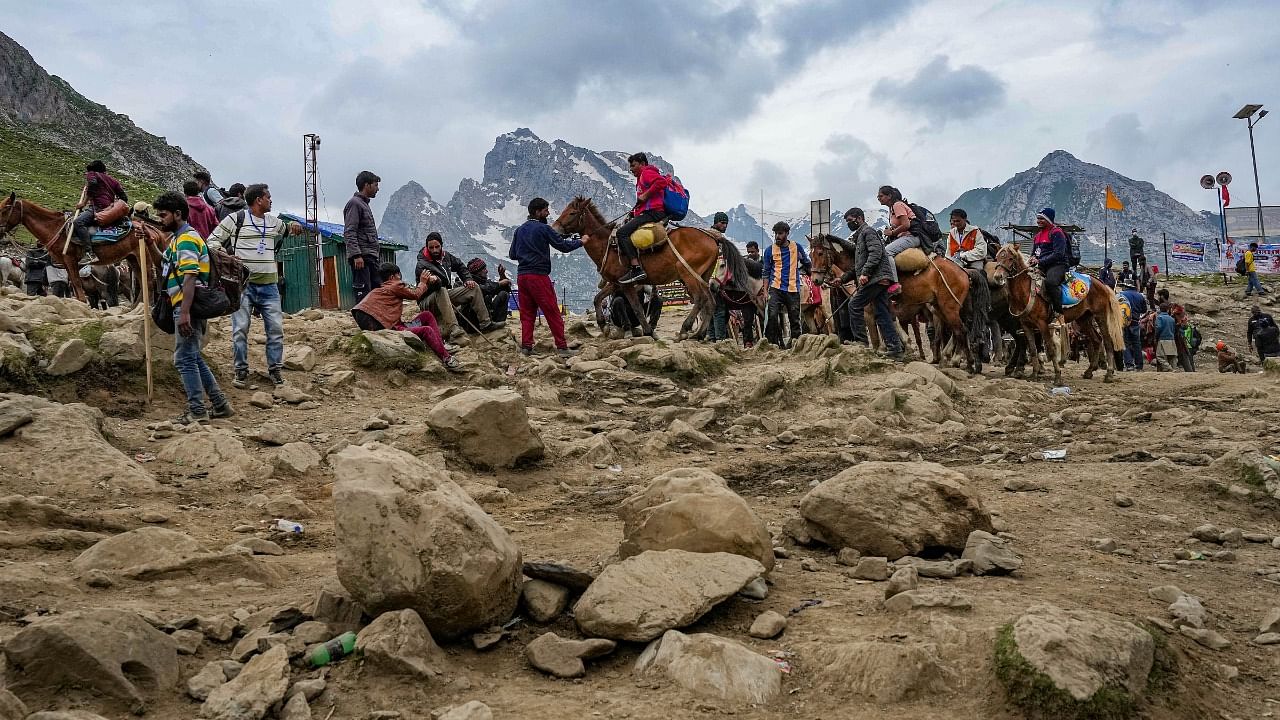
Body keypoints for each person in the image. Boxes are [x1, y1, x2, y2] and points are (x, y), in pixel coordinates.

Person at [207, 183, 302, 388]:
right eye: (268, 197)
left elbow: (289, 229)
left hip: (270, 286)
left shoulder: (273, 222)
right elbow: (211, 241)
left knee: (275, 329)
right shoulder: (236, 219)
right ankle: (240, 370)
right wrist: (225, 255)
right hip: (243, 286)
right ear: (259, 200)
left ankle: (275, 369)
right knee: (240, 329)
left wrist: (295, 225)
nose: (271, 200)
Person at [154, 191, 233, 425]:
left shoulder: (187, 238)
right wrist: (150, 242)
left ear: (178, 214)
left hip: (187, 305)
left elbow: (190, 276)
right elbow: (168, 263)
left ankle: (197, 410)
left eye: (164, 215)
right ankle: (219, 404)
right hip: (187, 305)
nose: (160, 219)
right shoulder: (178, 239)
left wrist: (184, 312)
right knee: (192, 356)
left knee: (183, 359)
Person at [351, 262, 462, 372]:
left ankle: (440, 345)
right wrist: (423, 282)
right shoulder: (395, 285)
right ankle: (446, 358)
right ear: (392, 277)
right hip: (388, 326)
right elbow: (415, 294)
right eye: (399, 275)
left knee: (426, 315)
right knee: (426, 330)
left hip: (370, 321)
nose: (401, 278)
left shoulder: (380, 289)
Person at [509, 197, 583, 356]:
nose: (548, 213)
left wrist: (527, 251)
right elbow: (563, 247)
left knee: (527, 313)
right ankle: (562, 347)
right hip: (538, 276)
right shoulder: (544, 229)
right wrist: (581, 242)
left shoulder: (519, 230)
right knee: (552, 311)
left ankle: (527, 347)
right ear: (538, 212)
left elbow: (513, 254)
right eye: (545, 210)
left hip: (522, 277)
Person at [414, 232, 503, 337]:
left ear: (441, 245)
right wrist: (434, 280)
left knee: (473, 288)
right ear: (427, 247)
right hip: (428, 300)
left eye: (437, 247)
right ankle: (454, 329)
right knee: (441, 290)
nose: (434, 250)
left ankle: (486, 324)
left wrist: (467, 279)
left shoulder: (446, 256)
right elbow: (436, 287)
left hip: (444, 295)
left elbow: (460, 266)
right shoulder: (422, 264)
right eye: (431, 247)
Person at [841, 207, 903, 357]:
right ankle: (895, 349)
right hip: (878, 279)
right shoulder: (861, 235)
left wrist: (866, 273)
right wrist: (842, 279)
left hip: (875, 279)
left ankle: (861, 343)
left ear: (859, 218)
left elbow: (876, 252)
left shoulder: (867, 232)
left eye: (850, 220)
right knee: (882, 313)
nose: (849, 224)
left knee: (854, 305)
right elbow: (858, 265)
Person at [615, 153, 668, 285]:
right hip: (650, 212)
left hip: (653, 213)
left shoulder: (646, 173)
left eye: (633, 165)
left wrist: (645, 195)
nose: (631, 169)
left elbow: (662, 182)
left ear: (642, 164)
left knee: (621, 233)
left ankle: (636, 268)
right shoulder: (641, 178)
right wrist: (634, 212)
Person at [762, 221, 810, 347]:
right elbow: (766, 272)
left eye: (780, 233)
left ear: (787, 234)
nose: (777, 236)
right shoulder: (769, 251)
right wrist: (765, 291)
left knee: (794, 318)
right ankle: (772, 344)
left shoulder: (797, 247)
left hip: (793, 288)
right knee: (772, 315)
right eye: (776, 234)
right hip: (775, 288)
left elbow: (806, 263)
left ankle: (794, 344)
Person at [72, 160, 128, 262]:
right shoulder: (114, 181)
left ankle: (89, 253)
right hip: (109, 210)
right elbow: (124, 198)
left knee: (78, 222)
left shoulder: (92, 174)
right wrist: (112, 207)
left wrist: (83, 203)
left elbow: (92, 184)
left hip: (97, 208)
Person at [344, 170, 382, 303]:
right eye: (376, 185)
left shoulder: (364, 204)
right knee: (364, 295)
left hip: (370, 256)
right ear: (367, 185)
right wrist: (356, 255)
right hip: (362, 258)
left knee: (376, 291)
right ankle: (365, 322)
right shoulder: (355, 203)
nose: (378, 189)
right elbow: (350, 231)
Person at [1028, 207, 1070, 322]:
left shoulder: (1057, 232)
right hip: (1042, 266)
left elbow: (1059, 254)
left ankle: (1058, 313)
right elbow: (1034, 253)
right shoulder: (1037, 236)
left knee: (1050, 283)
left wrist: (1040, 261)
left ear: (1048, 219)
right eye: (1038, 218)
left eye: (1041, 218)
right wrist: (1032, 258)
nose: (1038, 221)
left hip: (1058, 265)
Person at [878, 185, 917, 294]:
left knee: (886, 252)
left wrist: (892, 232)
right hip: (905, 237)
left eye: (881, 196)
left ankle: (894, 283)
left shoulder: (897, 205)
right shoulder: (892, 208)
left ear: (889, 196)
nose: (878, 198)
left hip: (911, 237)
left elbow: (906, 224)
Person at [707, 211, 731, 342]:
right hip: (714, 280)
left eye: (726, 223)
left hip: (711, 279)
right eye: (722, 223)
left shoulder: (711, 236)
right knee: (719, 311)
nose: (724, 226)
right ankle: (720, 340)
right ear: (716, 222)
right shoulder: (715, 237)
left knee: (711, 310)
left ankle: (711, 338)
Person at [466, 258, 511, 324]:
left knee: (503, 294)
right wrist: (499, 283)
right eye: (484, 269)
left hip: (489, 314)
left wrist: (502, 276)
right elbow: (483, 289)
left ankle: (499, 322)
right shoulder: (470, 283)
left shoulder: (485, 281)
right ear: (478, 272)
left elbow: (507, 290)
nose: (487, 271)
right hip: (474, 320)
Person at [1153, 303, 1178, 371]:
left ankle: (1169, 368)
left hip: (1162, 339)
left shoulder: (1159, 318)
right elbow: (1174, 329)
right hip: (1171, 339)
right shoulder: (1172, 319)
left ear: (1160, 310)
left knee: (1160, 356)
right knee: (1172, 356)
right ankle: (1174, 368)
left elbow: (1158, 328)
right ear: (1168, 310)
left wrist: (1156, 337)